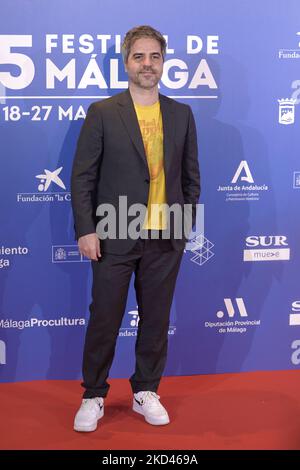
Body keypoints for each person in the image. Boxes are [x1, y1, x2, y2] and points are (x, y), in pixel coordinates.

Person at [71, 25, 200, 432]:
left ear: (163, 62)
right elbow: (82, 178)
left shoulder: (181, 114)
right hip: (113, 232)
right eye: (139, 57)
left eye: (155, 57)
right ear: (127, 62)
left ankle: (146, 390)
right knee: (105, 318)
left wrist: (184, 225)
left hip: (166, 235)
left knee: (156, 319)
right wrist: (86, 229)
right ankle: (93, 395)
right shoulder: (104, 112)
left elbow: (191, 178)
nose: (148, 64)